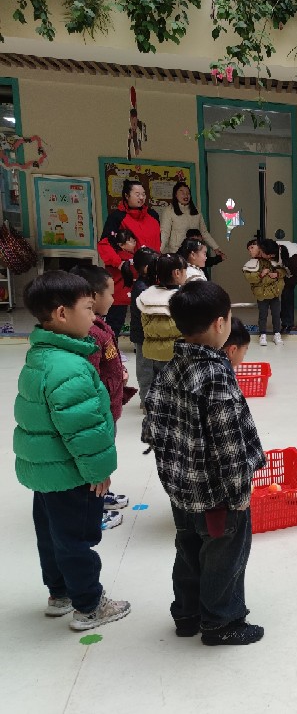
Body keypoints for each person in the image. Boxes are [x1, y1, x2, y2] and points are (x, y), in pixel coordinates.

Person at [142, 280, 267, 645]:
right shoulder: (216, 375)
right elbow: (229, 444)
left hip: (182, 490)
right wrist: (239, 493)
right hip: (217, 495)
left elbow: (153, 427)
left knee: (188, 549)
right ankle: (220, 623)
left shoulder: (171, 366)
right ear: (219, 323)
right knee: (224, 555)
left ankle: (187, 614)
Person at [14, 271, 131, 631]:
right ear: (62, 314)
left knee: (52, 535)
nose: (94, 317)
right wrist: (99, 472)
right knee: (76, 539)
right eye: (88, 308)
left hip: (46, 470)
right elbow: (82, 429)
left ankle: (60, 594)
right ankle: (89, 605)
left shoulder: (41, 355)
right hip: (72, 473)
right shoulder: (70, 367)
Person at [69, 265, 137, 530]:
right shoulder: (89, 333)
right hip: (97, 410)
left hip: (108, 406)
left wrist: (118, 373)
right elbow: (89, 376)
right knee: (92, 458)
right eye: (110, 292)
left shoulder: (99, 325)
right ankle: (89, 511)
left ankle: (99, 496)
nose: (114, 297)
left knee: (103, 454)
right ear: (93, 296)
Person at [100, 180, 162, 335]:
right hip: (124, 272)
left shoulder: (153, 215)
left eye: (143, 194)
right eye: (137, 194)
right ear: (127, 196)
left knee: (149, 313)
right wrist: (119, 263)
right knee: (116, 316)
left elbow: (158, 243)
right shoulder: (116, 217)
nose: (141, 197)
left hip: (149, 272)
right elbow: (105, 244)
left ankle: (142, 343)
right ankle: (109, 344)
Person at [136, 253, 188, 395]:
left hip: (151, 351)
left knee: (155, 386)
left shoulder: (146, 295)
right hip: (176, 353)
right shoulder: (183, 299)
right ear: (177, 273)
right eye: (185, 270)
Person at [160, 181, 226, 260]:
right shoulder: (169, 211)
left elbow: (204, 232)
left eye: (188, 193)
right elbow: (165, 233)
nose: (186, 195)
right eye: (182, 193)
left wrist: (216, 248)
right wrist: (159, 251)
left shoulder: (196, 211)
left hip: (195, 253)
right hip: (177, 254)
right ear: (175, 195)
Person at [129, 246, 159, 407]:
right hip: (143, 335)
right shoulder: (141, 287)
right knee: (145, 369)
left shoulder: (150, 284)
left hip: (150, 333)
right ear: (147, 268)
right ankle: (146, 400)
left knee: (154, 367)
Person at [243, 238, 287, 347]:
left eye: (252, 247)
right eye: (248, 249)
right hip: (261, 295)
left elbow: (283, 271)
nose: (250, 251)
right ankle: (262, 334)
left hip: (274, 293)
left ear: (260, 247)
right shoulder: (250, 264)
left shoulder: (272, 259)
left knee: (276, 314)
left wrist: (276, 274)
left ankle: (277, 334)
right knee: (262, 315)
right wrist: (261, 274)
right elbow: (250, 278)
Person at [96, 229, 139, 338]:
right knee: (115, 324)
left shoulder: (114, 256)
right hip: (120, 295)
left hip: (115, 295)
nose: (134, 243)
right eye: (130, 241)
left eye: (134, 240)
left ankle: (110, 343)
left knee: (113, 323)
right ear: (121, 245)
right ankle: (110, 344)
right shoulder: (127, 259)